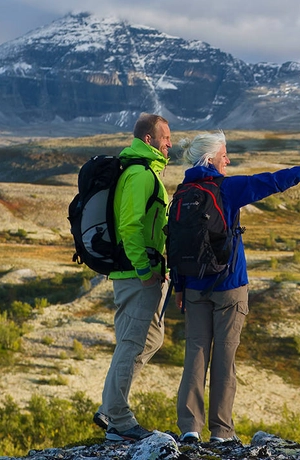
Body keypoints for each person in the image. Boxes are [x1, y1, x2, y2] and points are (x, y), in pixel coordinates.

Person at [172, 131, 300, 445]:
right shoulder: (228, 188)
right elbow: (276, 180)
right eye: (224, 154)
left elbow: (173, 241)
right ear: (211, 158)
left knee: (195, 356)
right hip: (229, 285)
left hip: (193, 287)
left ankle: (189, 429)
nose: (228, 159)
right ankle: (222, 432)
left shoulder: (183, 191)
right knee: (225, 360)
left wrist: (179, 286)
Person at [95, 113, 172, 442]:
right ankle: (119, 421)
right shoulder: (140, 175)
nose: (172, 143)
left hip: (143, 273)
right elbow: (130, 226)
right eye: (166, 137)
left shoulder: (145, 172)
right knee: (132, 343)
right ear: (149, 140)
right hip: (137, 274)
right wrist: (144, 271)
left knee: (149, 340)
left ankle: (108, 408)